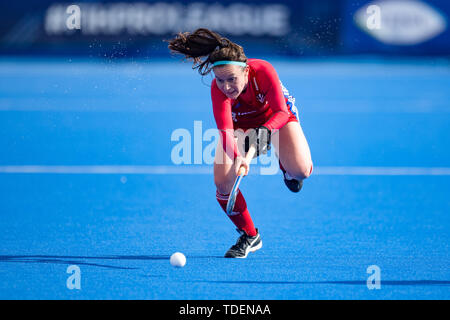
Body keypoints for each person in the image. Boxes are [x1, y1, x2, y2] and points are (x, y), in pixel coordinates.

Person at [168, 28, 313, 258]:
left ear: (245, 71)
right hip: (241, 126)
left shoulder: (264, 71)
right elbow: (225, 131)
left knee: (302, 171)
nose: (226, 87)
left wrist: (263, 135)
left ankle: (285, 167)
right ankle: (250, 235)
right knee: (223, 184)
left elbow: (281, 113)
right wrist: (239, 158)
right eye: (220, 80)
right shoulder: (218, 90)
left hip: (275, 118)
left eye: (232, 79)